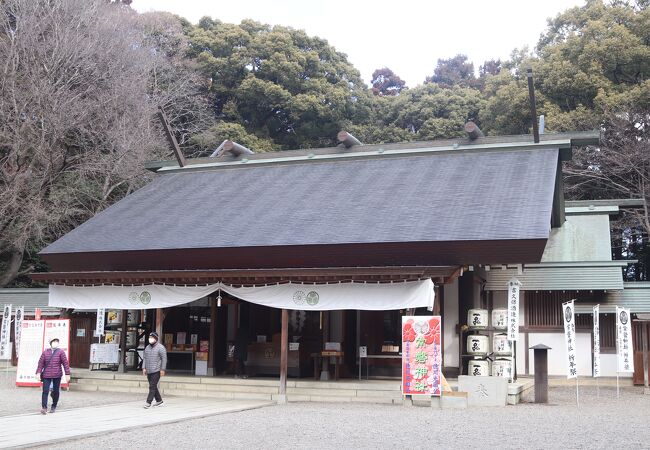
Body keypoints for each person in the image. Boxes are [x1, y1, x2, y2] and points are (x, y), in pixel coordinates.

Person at [35, 338, 71, 414]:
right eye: (54, 341)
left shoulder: (61, 352)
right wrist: (38, 373)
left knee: (56, 391)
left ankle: (54, 406)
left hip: (57, 375)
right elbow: (40, 364)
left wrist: (67, 374)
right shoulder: (45, 352)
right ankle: (44, 408)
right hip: (46, 375)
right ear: (51, 343)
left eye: (57, 341)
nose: (55, 343)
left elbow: (65, 363)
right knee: (45, 391)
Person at [142, 331, 167, 408]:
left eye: (152, 338)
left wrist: (162, 369)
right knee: (153, 386)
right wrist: (144, 367)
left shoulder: (161, 347)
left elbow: (164, 359)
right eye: (150, 337)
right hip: (149, 370)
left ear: (156, 338)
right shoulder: (147, 347)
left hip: (157, 370)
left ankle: (148, 402)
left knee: (152, 386)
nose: (150, 339)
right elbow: (145, 358)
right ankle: (159, 401)